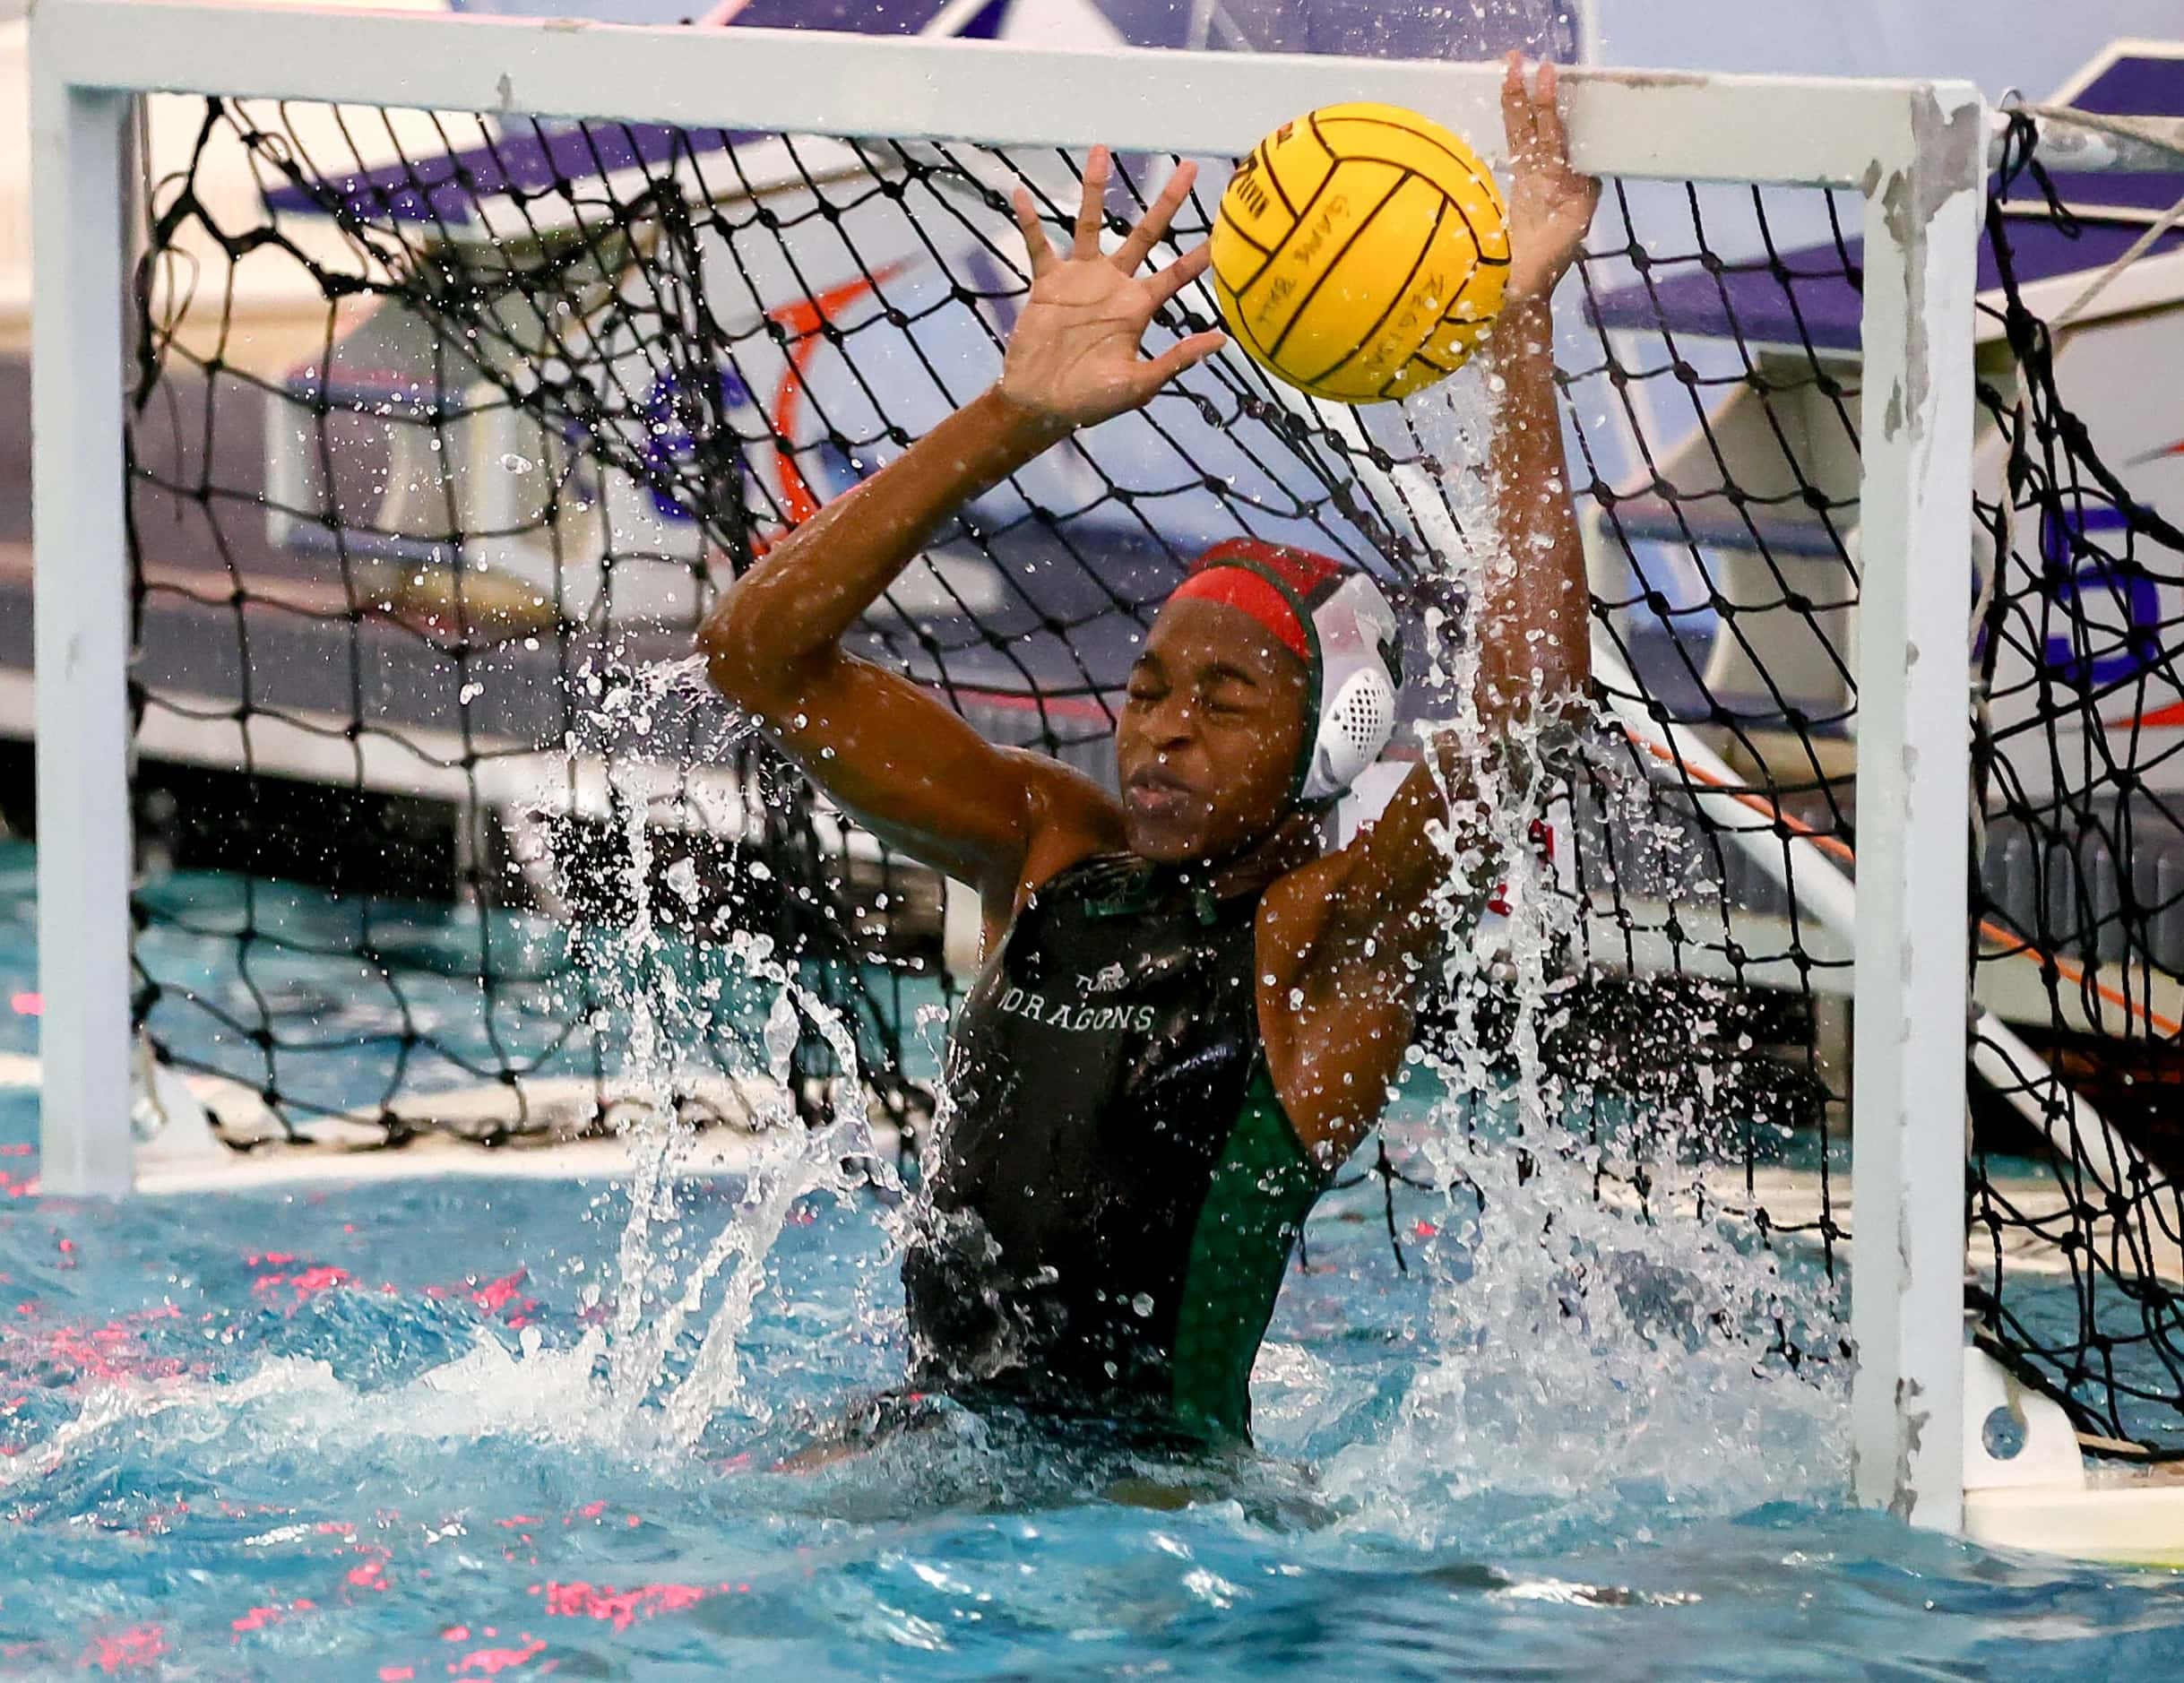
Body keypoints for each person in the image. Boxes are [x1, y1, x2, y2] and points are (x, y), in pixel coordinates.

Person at [701, 55, 1600, 1446]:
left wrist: (1518, 328)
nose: (1165, 728)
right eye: (1150, 687)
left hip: (1154, 1518)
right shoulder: (1046, 849)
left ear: (1329, 737)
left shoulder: (1330, 941)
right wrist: (1020, 414)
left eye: (1225, 699)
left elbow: (1532, 696)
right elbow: (760, 659)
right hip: (925, 1441)